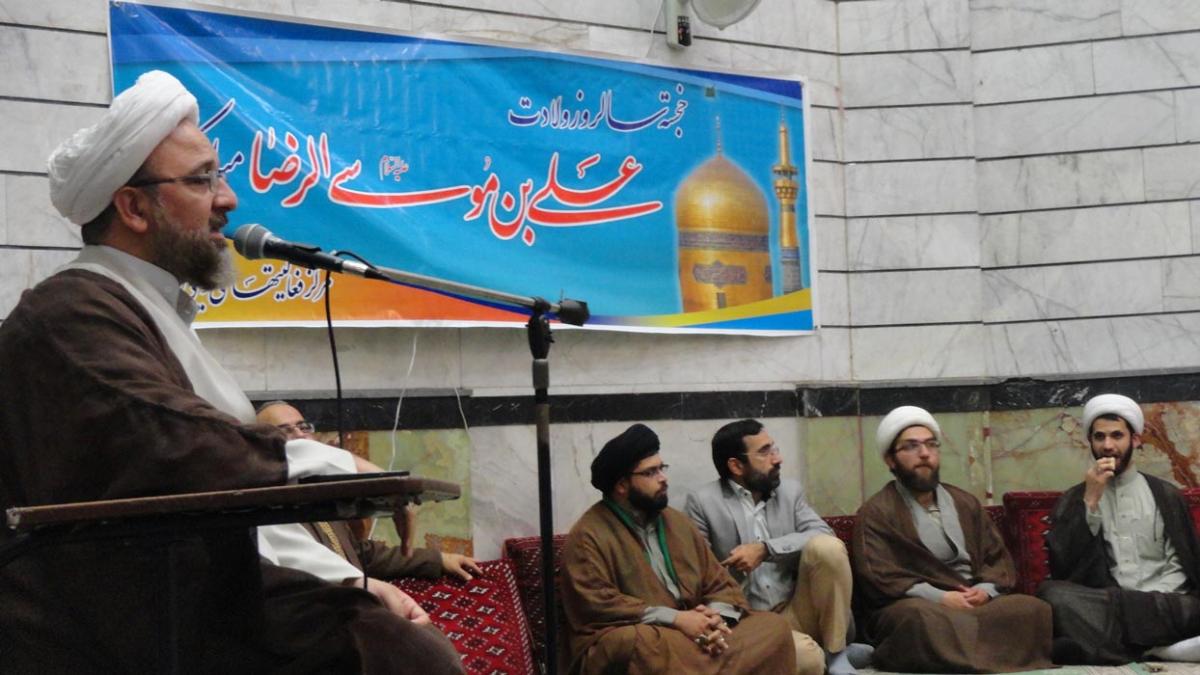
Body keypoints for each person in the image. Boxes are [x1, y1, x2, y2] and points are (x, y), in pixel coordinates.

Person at [0, 70, 462, 674]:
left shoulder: (150, 311)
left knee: (396, 643)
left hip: (188, 608)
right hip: (112, 632)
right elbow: (173, 446)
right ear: (134, 207)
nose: (229, 200)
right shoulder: (69, 312)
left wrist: (350, 579)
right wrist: (339, 468)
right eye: (202, 180)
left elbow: (236, 506)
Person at [560, 423, 796, 675]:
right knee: (635, 644)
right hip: (654, 637)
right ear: (622, 485)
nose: (663, 478)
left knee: (773, 628)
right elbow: (601, 606)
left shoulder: (676, 521)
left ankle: (706, 660)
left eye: (662, 468)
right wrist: (677, 619)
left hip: (691, 637)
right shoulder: (588, 536)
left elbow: (718, 583)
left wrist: (715, 618)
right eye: (650, 472)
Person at [852, 406, 1053, 672]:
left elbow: (996, 558)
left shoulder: (964, 502)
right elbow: (878, 575)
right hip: (921, 605)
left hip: (975, 601)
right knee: (918, 620)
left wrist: (985, 591)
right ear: (891, 460)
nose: (924, 453)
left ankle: (964, 659)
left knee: (1032, 609)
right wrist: (941, 598)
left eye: (931, 444)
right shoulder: (876, 512)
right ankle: (992, 658)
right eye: (911, 446)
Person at [684, 419, 871, 675]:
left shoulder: (789, 492)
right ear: (736, 466)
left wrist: (765, 549)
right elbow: (699, 576)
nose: (777, 458)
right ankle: (821, 653)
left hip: (795, 609)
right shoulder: (703, 503)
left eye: (774, 448)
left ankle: (836, 652)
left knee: (827, 548)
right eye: (765, 452)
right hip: (750, 622)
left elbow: (824, 533)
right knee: (808, 660)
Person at [1039, 393, 1200, 664]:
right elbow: (1065, 568)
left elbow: (1182, 565)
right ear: (1090, 442)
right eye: (1099, 437)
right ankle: (1156, 650)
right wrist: (1090, 501)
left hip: (1163, 603)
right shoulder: (1074, 498)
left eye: (1117, 436)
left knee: (1191, 609)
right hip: (1108, 603)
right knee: (1052, 595)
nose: (1108, 446)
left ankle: (1108, 648)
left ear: (1135, 440)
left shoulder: (1166, 495)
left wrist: (1145, 603)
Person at [256, 401, 481, 583]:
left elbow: (362, 555)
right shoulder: (269, 508)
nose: (300, 435)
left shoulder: (318, 497)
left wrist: (438, 559)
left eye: (304, 427)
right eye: (284, 431)